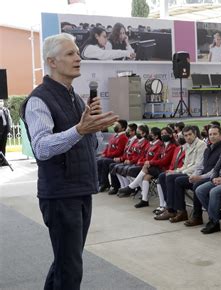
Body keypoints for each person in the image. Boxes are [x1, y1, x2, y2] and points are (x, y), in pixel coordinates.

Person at [20, 33, 118, 289]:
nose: (78, 58)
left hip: (80, 189)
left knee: (66, 262)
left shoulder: (74, 97)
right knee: (70, 268)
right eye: (70, 54)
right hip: (60, 194)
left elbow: (91, 145)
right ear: (52, 62)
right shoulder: (40, 99)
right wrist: (80, 129)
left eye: (77, 52)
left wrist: (94, 128)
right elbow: (41, 148)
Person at [176, 126, 221, 226]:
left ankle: (197, 216)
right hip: (203, 176)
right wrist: (194, 176)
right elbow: (200, 165)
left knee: (197, 186)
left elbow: (216, 170)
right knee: (178, 181)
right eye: (210, 134)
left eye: (215, 134)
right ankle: (179, 210)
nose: (212, 137)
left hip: (214, 178)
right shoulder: (208, 148)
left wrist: (200, 178)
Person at [154, 126, 206, 221]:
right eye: (185, 135)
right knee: (163, 176)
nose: (188, 137)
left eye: (190, 134)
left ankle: (178, 210)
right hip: (187, 172)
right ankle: (170, 207)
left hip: (195, 174)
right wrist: (175, 171)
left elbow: (198, 166)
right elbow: (186, 165)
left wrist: (179, 172)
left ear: (195, 134)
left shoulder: (201, 145)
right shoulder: (188, 146)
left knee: (172, 178)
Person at [119, 127, 177, 208]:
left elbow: (165, 161)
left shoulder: (172, 146)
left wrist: (151, 162)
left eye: (165, 134)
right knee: (146, 177)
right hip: (158, 167)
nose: (163, 135)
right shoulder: (163, 145)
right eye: (162, 134)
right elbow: (156, 157)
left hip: (164, 169)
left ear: (171, 135)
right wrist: (149, 162)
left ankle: (132, 186)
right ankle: (144, 200)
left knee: (146, 169)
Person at [96, 120, 128, 192]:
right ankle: (101, 182)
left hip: (117, 158)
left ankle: (104, 183)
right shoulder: (114, 135)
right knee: (98, 161)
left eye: (117, 126)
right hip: (110, 156)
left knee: (104, 161)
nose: (115, 127)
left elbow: (119, 151)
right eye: (115, 125)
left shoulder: (123, 137)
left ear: (123, 128)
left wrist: (107, 155)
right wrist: (104, 153)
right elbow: (108, 146)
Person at [107, 123, 138, 195]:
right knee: (115, 167)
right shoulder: (129, 140)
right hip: (126, 160)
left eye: (128, 130)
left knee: (118, 168)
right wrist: (121, 158)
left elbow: (135, 154)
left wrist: (129, 160)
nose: (126, 132)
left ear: (133, 132)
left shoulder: (136, 141)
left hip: (132, 162)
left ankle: (129, 188)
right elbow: (126, 153)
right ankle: (123, 187)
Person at [0, 101, 12, 166]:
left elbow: (9, 119)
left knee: (3, 146)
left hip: (5, 130)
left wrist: (9, 129)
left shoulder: (6, 110)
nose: (1, 103)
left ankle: (3, 161)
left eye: (1, 101)